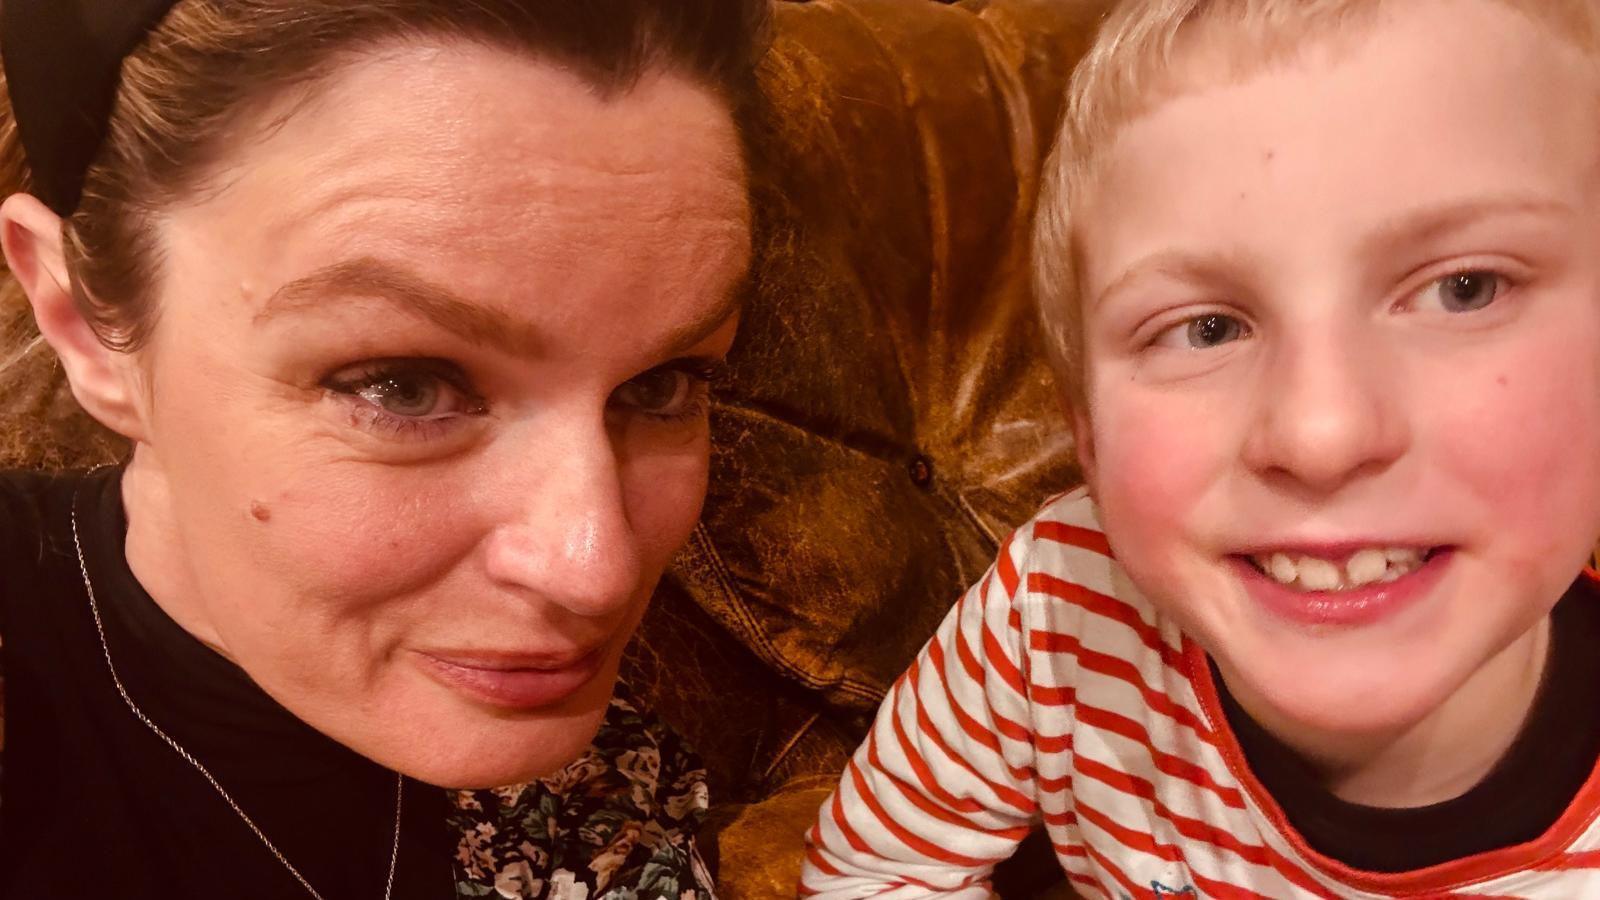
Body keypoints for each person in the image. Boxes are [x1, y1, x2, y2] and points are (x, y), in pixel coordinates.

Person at [802, 0, 1600, 896]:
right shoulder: (1059, 606)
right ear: (1086, 433)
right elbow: (881, 864)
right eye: (1208, 328)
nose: (1319, 434)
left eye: (1465, 288)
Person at [0, 1, 767, 897]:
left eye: (662, 385)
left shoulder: (619, 782)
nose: (593, 570)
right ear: (88, 329)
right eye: (400, 385)